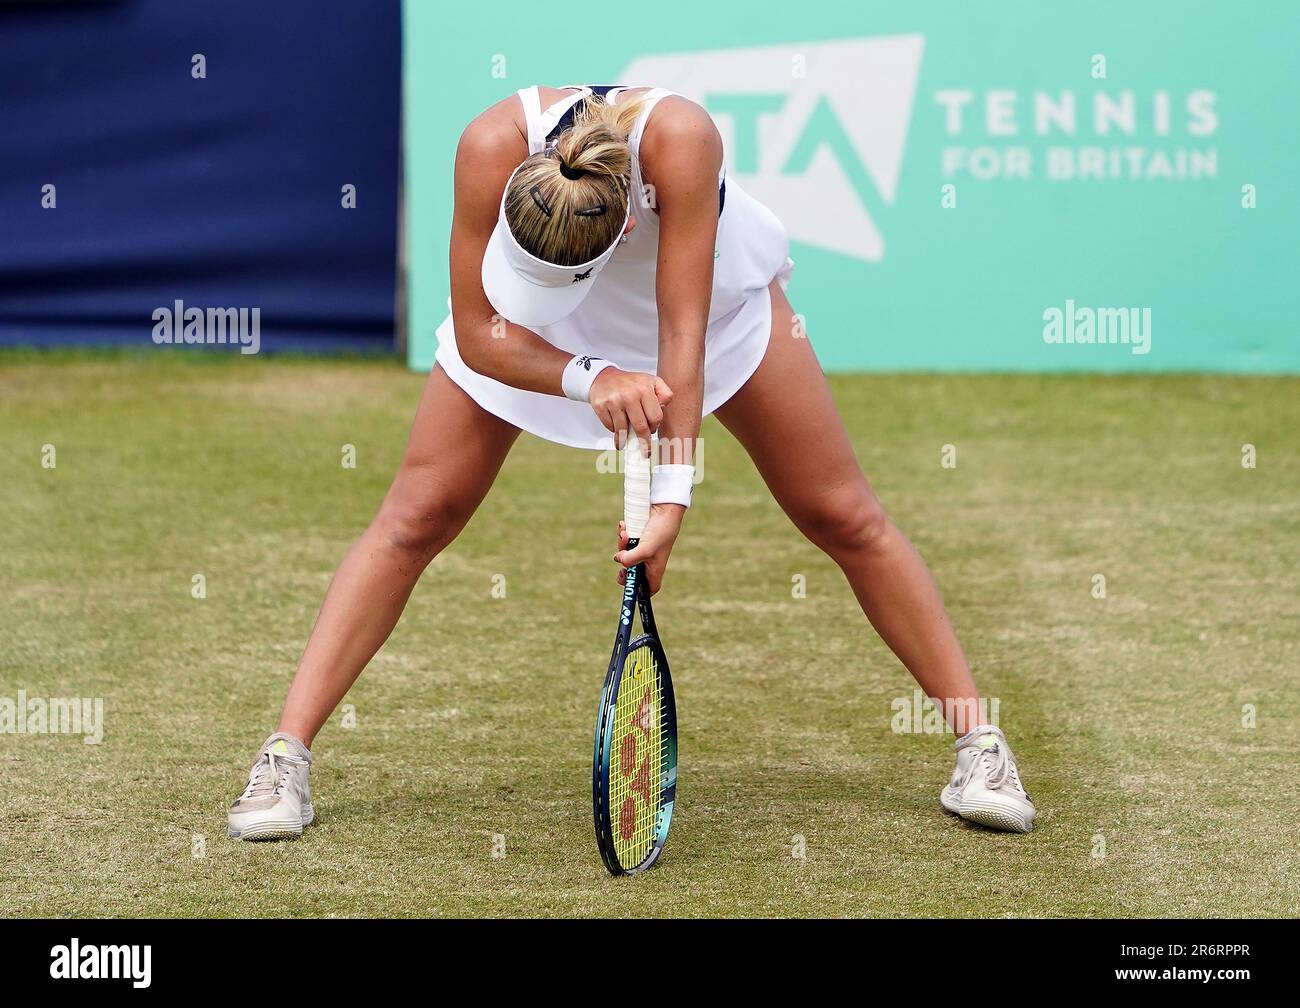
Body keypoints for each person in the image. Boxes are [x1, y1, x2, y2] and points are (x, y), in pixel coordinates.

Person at [227, 84, 1035, 842]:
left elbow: (679, 341)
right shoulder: (488, 145)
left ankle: (981, 745)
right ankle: (284, 759)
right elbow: (482, 333)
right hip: (531, 346)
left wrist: (671, 500)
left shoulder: (682, 140)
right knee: (414, 518)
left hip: (709, 320)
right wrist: (589, 376)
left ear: (620, 233)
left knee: (842, 514)